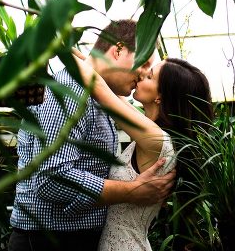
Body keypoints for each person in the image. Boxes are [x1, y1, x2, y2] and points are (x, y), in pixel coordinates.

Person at [9, 20, 176, 251]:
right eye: (145, 62)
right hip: (49, 240)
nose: (145, 73)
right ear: (118, 50)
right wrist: (131, 191)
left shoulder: (99, 97)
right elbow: (51, 178)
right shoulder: (68, 93)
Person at [73, 54, 214, 251]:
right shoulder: (151, 132)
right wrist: (68, 45)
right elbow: (105, 82)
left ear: (160, 96)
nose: (140, 75)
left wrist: (58, 48)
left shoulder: (156, 139)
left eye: (150, 76)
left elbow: (98, 88)